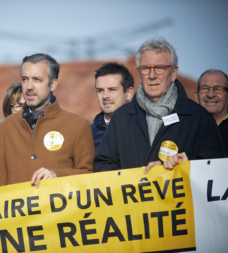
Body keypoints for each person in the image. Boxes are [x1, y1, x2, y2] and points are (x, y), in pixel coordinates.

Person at [93, 37, 227, 173]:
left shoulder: (200, 119)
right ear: (139, 74)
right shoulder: (121, 117)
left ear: (173, 73)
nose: (152, 75)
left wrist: (188, 167)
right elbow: (103, 164)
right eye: (145, 68)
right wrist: (137, 177)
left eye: (159, 68)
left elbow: (218, 173)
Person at [0, 53, 94, 188]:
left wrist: (57, 175)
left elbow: (91, 177)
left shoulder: (78, 125)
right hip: (18, 209)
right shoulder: (6, 127)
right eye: (25, 79)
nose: (29, 86)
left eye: (37, 80)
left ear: (53, 84)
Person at [91, 62, 134, 150]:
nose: (105, 96)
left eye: (112, 89)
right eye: (100, 90)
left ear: (129, 93)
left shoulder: (144, 127)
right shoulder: (87, 134)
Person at [195, 69, 228, 152]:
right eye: (204, 88)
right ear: (196, 96)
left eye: (218, 89)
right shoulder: (186, 129)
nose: (210, 94)